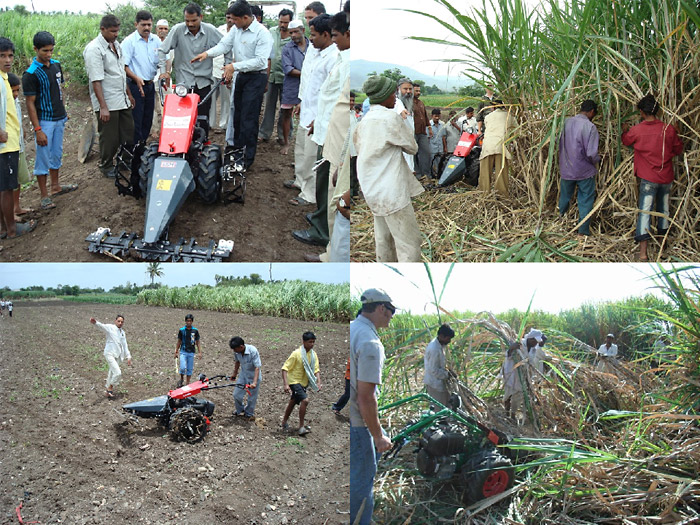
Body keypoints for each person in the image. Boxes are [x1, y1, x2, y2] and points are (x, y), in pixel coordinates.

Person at [293, 10, 349, 251]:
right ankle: (319, 219)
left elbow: (340, 100)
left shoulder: (343, 60)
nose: (334, 40)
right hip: (323, 124)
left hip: (333, 133)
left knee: (328, 182)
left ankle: (321, 232)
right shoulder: (341, 57)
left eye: (336, 35)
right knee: (323, 177)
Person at [193, 0, 272, 169]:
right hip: (241, 76)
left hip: (256, 78)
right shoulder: (237, 30)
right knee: (236, 116)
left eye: (235, 19)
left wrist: (233, 66)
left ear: (245, 17)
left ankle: (246, 158)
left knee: (248, 119)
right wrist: (207, 54)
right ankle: (235, 152)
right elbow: (224, 45)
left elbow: (260, 62)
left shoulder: (262, 34)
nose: (232, 23)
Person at [353, 75, 422, 262]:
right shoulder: (390, 118)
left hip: (372, 190)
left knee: (383, 240)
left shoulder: (364, 121)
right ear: (383, 97)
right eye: (392, 94)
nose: (395, 98)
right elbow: (412, 147)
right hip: (392, 192)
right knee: (409, 244)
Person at [349, 288, 395, 525]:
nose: (391, 316)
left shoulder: (352, 329)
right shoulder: (370, 342)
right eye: (391, 311)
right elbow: (366, 398)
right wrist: (378, 436)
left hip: (349, 420)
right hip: (358, 425)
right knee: (362, 483)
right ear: (380, 308)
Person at [622, 94, 684, 261]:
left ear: (642, 112)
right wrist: (677, 134)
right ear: (657, 111)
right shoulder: (668, 129)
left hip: (648, 179)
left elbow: (626, 141)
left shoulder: (637, 130)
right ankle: (662, 249)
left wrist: (624, 131)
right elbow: (678, 149)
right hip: (666, 178)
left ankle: (643, 254)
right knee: (664, 211)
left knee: (645, 212)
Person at [287, 13, 337, 212]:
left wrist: (320, 117)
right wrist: (300, 101)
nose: (311, 38)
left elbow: (330, 94)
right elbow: (307, 80)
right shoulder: (314, 51)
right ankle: (300, 181)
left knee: (311, 155)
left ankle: (309, 194)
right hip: (306, 109)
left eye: (314, 35)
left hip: (318, 116)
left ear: (326, 35)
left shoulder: (333, 58)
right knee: (300, 150)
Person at [159, 3, 227, 141]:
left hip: (203, 83)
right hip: (183, 84)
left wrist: (227, 66)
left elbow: (227, 45)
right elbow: (162, 50)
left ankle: (200, 146)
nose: (190, 24)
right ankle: (179, 144)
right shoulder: (177, 30)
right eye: (187, 20)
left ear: (201, 17)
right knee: (180, 119)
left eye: (193, 20)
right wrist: (163, 72)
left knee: (203, 118)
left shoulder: (210, 31)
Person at [22, 31, 75, 211]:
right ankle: (44, 195)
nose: (49, 54)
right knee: (43, 158)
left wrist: (64, 110)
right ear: (36, 49)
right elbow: (30, 103)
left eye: (51, 50)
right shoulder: (31, 73)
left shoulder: (56, 65)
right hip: (45, 121)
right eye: (45, 51)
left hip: (59, 118)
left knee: (56, 154)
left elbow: (59, 90)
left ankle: (56, 186)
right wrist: (38, 129)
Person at [83, 15, 135, 178]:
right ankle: (106, 165)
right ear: (102, 29)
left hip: (122, 98)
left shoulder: (116, 45)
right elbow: (96, 81)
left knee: (128, 132)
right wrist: (103, 107)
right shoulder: (94, 49)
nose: (116, 34)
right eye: (112, 31)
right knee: (109, 137)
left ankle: (126, 161)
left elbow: (120, 73)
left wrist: (129, 93)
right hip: (108, 102)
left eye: (117, 31)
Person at [0, 37, 35, 240]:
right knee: (6, 189)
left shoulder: (5, 78)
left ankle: (4, 228)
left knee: (3, 188)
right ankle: (12, 230)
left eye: (10, 55)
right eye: (2, 56)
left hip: (10, 141)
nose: (8, 60)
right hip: (5, 144)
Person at [559, 100, 600, 236]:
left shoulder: (566, 122)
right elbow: (591, 153)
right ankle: (582, 231)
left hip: (566, 169)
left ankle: (560, 222)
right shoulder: (590, 127)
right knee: (586, 200)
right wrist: (597, 161)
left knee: (565, 196)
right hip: (584, 171)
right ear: (592, 112)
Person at [122, 11, 160, 144]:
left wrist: (165, 72)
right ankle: (133, 152)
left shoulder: (155, 40)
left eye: (149, 25)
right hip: (135, 86)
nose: (147, 28)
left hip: (150, 85)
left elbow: (163, 58)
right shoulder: (129, 42)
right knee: (136, 120)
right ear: (136, 24)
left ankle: (142, 146)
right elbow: (123, 66)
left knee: (148, 119)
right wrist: (136, 78)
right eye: (143, 25)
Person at [258, 8, 293, 143]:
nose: (283, 25)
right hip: (272, 75)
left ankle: (284, 136)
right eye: (281, 22)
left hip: (287, 77)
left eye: (286, 22)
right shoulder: (271, 32)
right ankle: (264, 133)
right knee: (269, 106)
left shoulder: (293, 35)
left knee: (286, 108)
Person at [281, 331, 321, 436]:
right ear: (303, 342)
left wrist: (319, 382)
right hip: (294, 381)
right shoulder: (296, 354)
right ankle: (301, 426)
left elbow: (316, 369)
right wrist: (286, 384)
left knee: (293, 401)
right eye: (309, 342)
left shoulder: (313, 355)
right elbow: (285, 368)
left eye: (313, 342)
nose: (312, 344)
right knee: (305, 400)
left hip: (304, 382)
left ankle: (284, 422)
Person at [279, 19, 308, 156]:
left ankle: (305, 144)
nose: (293, 35)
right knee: (286, 114)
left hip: (309, 87)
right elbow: (288, 69)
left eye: (296, 31)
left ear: (303, 30)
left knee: (307, 114)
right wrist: (307, 74)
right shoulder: (287, 49)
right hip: (292, 85)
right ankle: (286, 143)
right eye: (291, 33)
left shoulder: (313, 47)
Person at [7, 73, 32, 220]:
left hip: (18, 145)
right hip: (8, 147)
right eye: (13, 91)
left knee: (17, 179)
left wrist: (21, 130)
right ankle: (9, 213)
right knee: (9, 181)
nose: (16, 94)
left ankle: (16, 207)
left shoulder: (15, 102)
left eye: (17, 90)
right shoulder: (4, 101)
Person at [478, 102, 516, 197]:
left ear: (493, 107)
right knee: (501, 173)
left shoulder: (488, 117)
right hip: (501, 147)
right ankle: (502, 195)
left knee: (485, 173)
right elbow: (517, 131)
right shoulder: (509, 116)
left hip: (488, 146)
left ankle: (484, 194)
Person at [90, 314, 132, 399]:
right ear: (115, 321)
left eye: (122, 322)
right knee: (118, 372)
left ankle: (107, 391)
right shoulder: (110, 328)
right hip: (109, 353)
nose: (120, 323)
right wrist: (95, 322)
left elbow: (125, 345)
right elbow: (102, 326)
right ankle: (110, 387)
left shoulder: (122, 333)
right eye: (119, 321)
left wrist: (128, 356)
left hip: (118, 355)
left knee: (111, 372)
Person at [209, 10, 234, 131]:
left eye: (232, 18)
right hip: (215, 67)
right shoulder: (219, 30)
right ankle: (211, 123)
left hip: (229, 70)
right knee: (211, 97)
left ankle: (223, 124)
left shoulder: (238, 32)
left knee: (226, 99)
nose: (230, 20)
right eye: (228, 17)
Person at [229, 336, 261, 420]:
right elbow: (237, 362)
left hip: (254, 376)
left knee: (251, 398)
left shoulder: (253, 351)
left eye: (235, 349)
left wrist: (254, 382)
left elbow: (257, 367)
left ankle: (249, 413)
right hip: (243, 375)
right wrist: (234, 374)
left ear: (241, 347)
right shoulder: (237, 352)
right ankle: (240, 410)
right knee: (236, 395)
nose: (234, 351)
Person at [423, 323, 455, 405]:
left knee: (445, 406)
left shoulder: (440, 344)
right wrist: (448, 374)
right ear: (441, 336)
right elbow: (434, 370)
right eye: (448, 339)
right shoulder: (434, 349)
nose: (449, 341)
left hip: (438, 383)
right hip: (434, 384)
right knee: (439, 411)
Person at [393, 77, 415, 171]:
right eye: (405, 89)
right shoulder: (396, 103)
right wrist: (402, 110)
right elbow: (400, 108)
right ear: (398, 89)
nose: (408, 91)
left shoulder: (409, 105)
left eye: (410, 89)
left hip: (408, 142)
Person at [175, 313, 202, 387]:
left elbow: (197, 342)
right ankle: (181, 379)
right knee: (183, 367)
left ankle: (187, 383)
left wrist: (199, 352)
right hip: (183, 351)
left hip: (191, 352)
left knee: (189, 369)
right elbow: (179, 341)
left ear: (192, 321)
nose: (188, 322)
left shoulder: (195, 331)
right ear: (185, 321)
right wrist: (176, 351)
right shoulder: (182, 330)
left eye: (190, 321)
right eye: (187, 321)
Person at [501, 342, 526, 419]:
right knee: (508, 395)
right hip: (510, 376)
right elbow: (508, 356)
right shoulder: (518, 347)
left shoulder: (531, 349)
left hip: (520, 377)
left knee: (517, 397)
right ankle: (506, 412)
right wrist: (511, 349)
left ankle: (513, 415)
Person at [412, 83, 432, 178]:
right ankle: (417, 175)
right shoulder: (408, 103)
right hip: (413, 132)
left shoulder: (420, 103)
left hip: (422, 132)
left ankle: (426, 175)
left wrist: (429, 127)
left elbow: (425, 116)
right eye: (416, 91)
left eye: (419, 91)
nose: (418, 92)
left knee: (426, 153)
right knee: (413, 154)